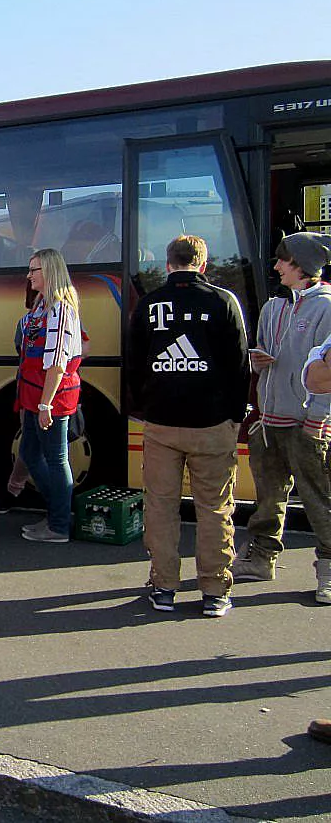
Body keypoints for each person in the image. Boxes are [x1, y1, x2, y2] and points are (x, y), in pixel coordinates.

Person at [127, 235, 249, 617]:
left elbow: (133, 364)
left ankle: (164, 586)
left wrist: (144, 408)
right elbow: (239, 365)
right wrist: (234, 415)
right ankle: (215, 591)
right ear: (203, 264)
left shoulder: (148, 305)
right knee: (214, 508)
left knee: (161, 507)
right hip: (212, 423)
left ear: (168, 264)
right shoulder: (223, 302)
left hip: (162, 422)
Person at [232, 232, 331, 600]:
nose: (276, 267)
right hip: (270, 421)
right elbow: (268, 357)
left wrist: (319, 415)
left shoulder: (327, 308)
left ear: (303, 266)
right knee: (267, 499)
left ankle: (328, 573)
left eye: (282, 260)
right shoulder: (275, 307)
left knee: (318, 500)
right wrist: (258, 362)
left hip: (309, 423)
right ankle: (260, 559)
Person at [15, 249, 84, 543]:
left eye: (35, 270)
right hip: (35, 393)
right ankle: (57, 509)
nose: (29, 276)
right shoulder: (42, 305)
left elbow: (57, 362)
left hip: (51, 397)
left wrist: (46, 404)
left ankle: (58, 524)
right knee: (30, 452)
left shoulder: (60, 308)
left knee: (56, 458)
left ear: (50, 272)